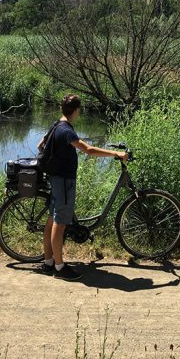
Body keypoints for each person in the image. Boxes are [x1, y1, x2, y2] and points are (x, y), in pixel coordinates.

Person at [37, 94, 128, 280]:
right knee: (60, 222)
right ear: (76, 110)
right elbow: (89, 150)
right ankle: (60, 268)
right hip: (63, 180)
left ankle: (48, 262)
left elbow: (40, 144)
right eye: (79, 109)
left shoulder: (57, 125)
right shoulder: (66, 131)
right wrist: (116, 153)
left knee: (52, 220)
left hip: (56, 179)